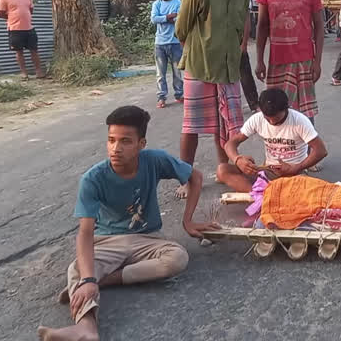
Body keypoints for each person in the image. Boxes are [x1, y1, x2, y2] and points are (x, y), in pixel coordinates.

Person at [36, 106, 217, 341]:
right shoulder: (93, 179)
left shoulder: (154, 160)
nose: (116, 148)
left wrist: (188, 221)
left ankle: (97, 283)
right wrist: (88, 277)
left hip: (148, 239)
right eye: (111, 140)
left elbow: (196, 176)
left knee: (178, 258)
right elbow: (85, 233)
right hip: (108, 241)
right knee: (78, 268)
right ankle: (86, 326)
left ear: (141, 144)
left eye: (125, 141)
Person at [174, 0, 253, 198]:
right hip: (199, 69)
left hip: (229, 70)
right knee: (192, 127)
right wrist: (201, 52)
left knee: (226, 127)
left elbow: (242, 29)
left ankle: (226, 170)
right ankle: (186, 178)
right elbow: (181, 30)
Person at [256, 0, 325, 124]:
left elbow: (319, 27)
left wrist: (317, 62)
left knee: (305, 114)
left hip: (304, 61)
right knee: (275, 111)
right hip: (276, 62)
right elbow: (262, 27)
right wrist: (259, 60)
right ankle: (283, 151)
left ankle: (309, 151)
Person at [217, 88, 328, 193]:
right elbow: (230, 144)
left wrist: (296, 167)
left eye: (277, 120)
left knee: (304, 190)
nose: (272, 122)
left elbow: (321, 150)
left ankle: (267, 194)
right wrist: (238, 160)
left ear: (286, 109)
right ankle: (261, 196)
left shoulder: (299, 121)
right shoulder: (258, 119)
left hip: (295, 173)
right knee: (222, 170)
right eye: (267, 118)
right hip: (268, 171)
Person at [0, 0, 45, 79]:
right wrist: (13, 18)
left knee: (34, 50)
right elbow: (1, 13)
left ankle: (39, 72)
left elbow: (30, 10)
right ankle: (24, 73)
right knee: (19, 52)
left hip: (29, 28)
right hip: (15, 30)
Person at [150, 0, 183, 108]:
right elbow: (154, 19)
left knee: (177, 71)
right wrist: (169, 17)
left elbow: (179, 19)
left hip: (175, 42)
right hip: (160, 43)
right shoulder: (156, 4)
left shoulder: (178, 3)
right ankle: (161, 97)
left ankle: (179, 94)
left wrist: (164, 18)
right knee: (160, 73)